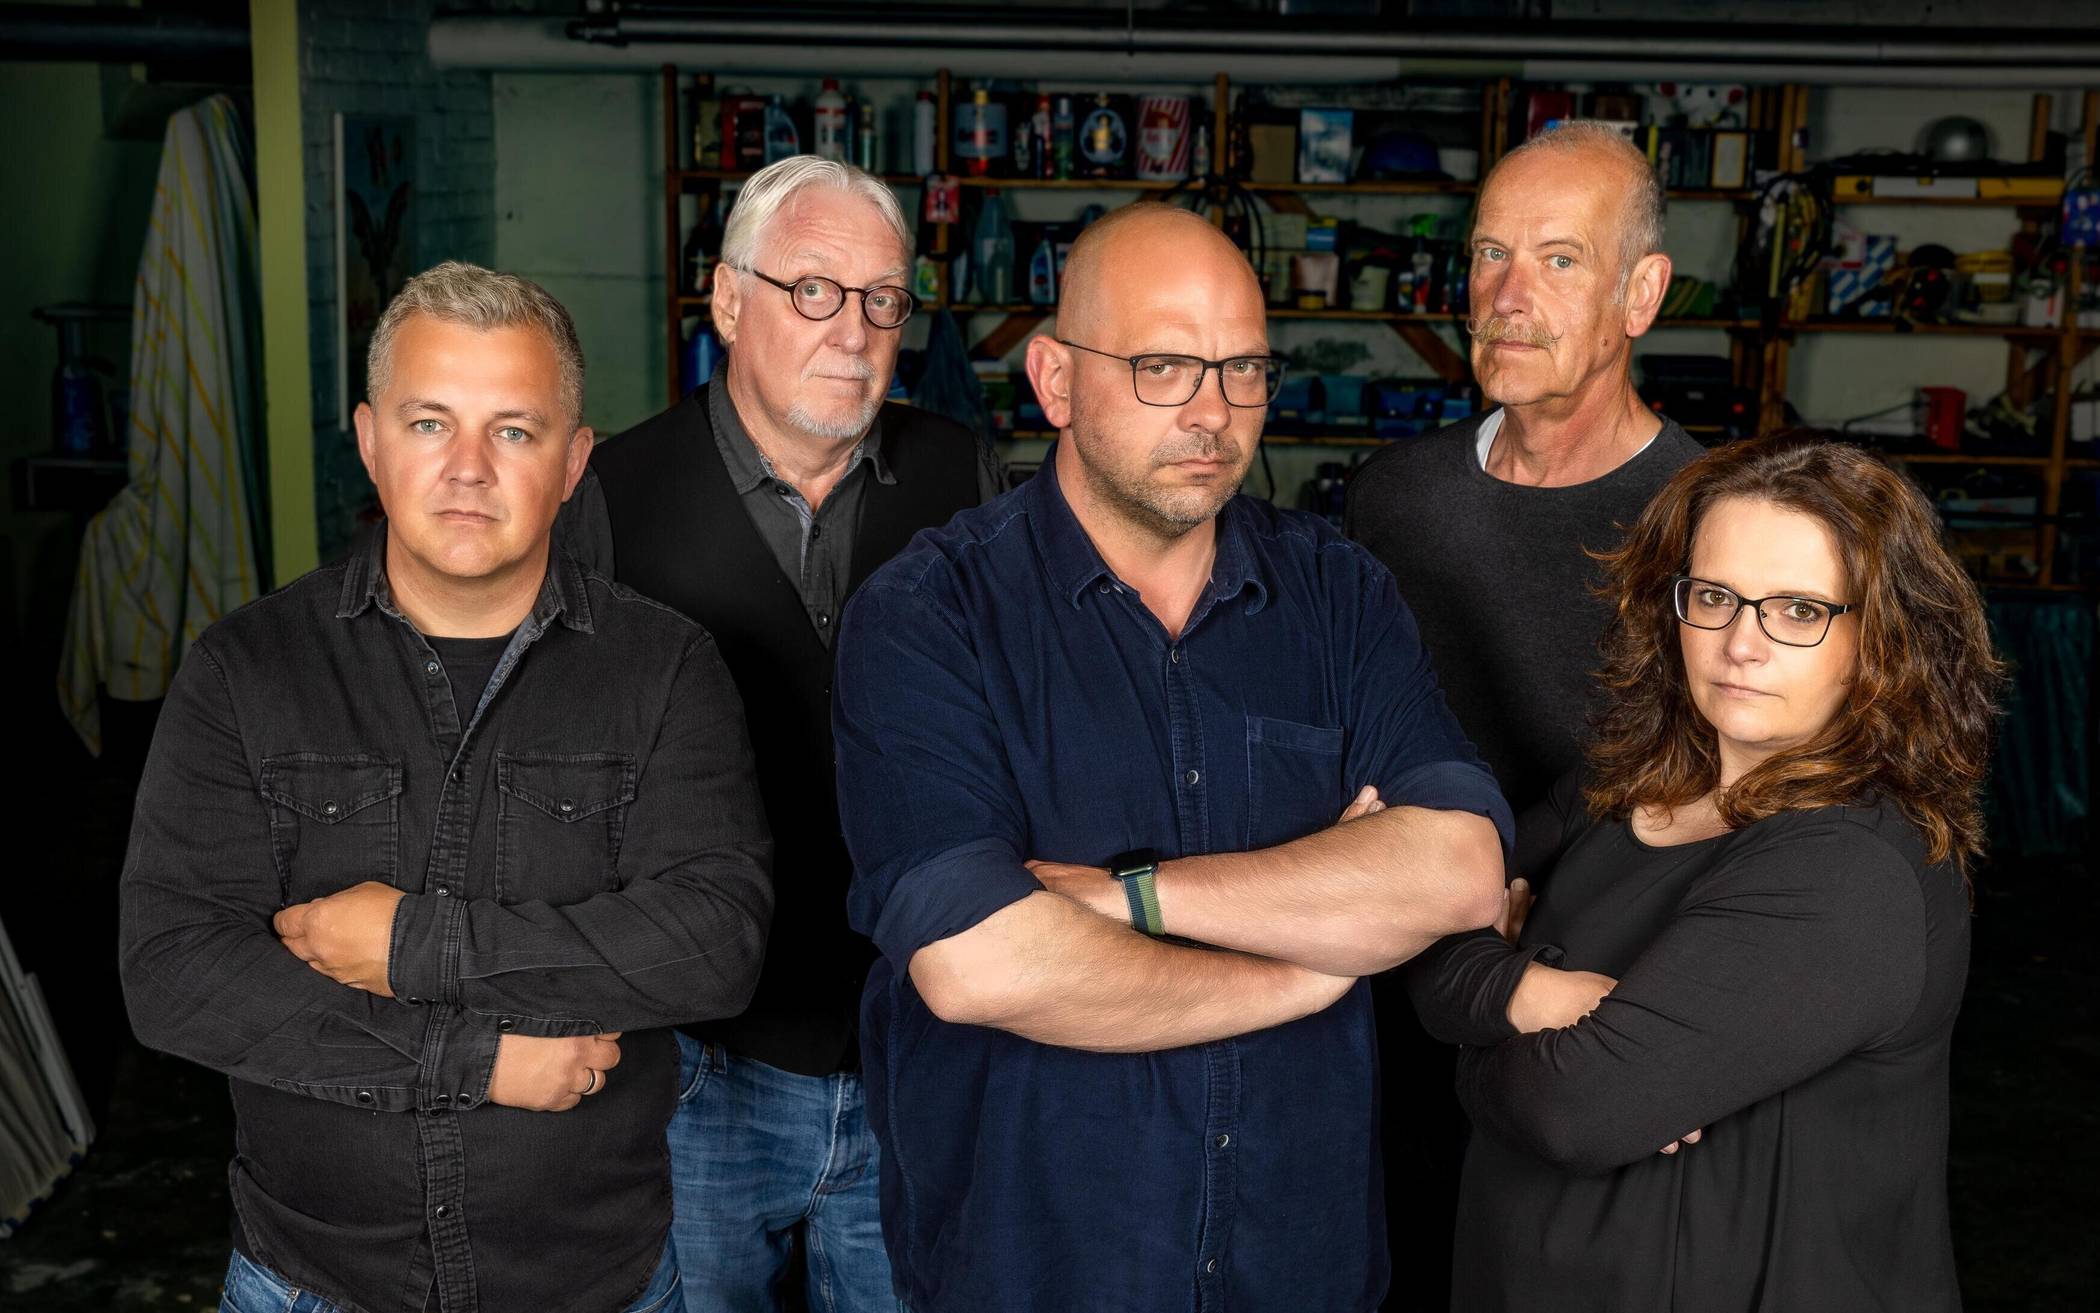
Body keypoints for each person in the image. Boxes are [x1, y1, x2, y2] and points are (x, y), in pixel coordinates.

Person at [831, 203, 1512, 1313]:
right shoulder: (928, 613)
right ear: (1055, 380)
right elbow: (979, 963)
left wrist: (1128, 897)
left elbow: (1461, 870)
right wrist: (1305, 970)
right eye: (1162, 366)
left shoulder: (1337, 592)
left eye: (1243, 369)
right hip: (1037, 1267)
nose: (1212, 411)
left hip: (1299, 1261)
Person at [119, 262, 774, 1313]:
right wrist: (476, 1057)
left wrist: (409, 945)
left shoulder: (666, 669)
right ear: (370, 440)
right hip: (309, 1280)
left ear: (575, 462)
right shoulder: (246, 668)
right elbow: (176, 970)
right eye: (430, 423)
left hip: (594, 1284)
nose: (468, 468)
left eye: (514, 430)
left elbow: (712, 944)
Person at [1408, 435, 2001, 1311]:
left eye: (1797, 609)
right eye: (1715, 597)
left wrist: (1473, 1021)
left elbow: (1573, 1111)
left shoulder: (1847, 864)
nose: (1740, 644)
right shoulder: (1619, 782)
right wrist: (1526, 997)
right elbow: (1422, 923)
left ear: (1880, 634)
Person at [561, 156, 995, 1313]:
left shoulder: (963, 476)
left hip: (916, 1043)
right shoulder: (609, 495)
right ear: (728, 297)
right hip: (700, 1063)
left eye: (883, 299)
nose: (852, 330)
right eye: (812, 289)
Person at [1344, 120, 1708, 1290]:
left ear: (1640, 295)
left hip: (1590, 994)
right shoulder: (1394, 498)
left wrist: (1506, 873)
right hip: (1400, 976)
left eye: (1559, 259)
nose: (1508, 295)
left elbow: (1706, 781)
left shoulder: (1708, 518)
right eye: (1490, 255)